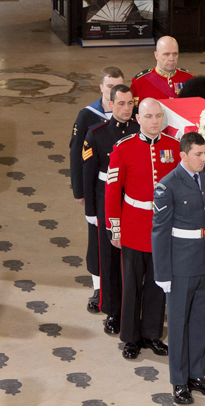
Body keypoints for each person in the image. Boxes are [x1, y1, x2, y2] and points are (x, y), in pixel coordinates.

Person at [152, 131, 205, 405]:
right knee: (179, 325)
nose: (204, 159)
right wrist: (163, 274)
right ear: (183, 155)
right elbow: (159, 232)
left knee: (198, 323)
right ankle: (179, 381)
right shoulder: (167, 185)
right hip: (180, 265)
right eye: (198, 154)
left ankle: (196, 375)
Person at [105, 98, 178, 353]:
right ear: (138, 119)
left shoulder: (174, 147)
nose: (154, 121)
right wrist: (115, 229)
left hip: (163, 230)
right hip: (134, 228)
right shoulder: (123, 148)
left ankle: (152, 334)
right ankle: (131, 338)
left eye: (158, 116)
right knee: (132, 285)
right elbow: (113, 192)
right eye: (148, 117)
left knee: (158, 285)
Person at [82, 84, 139, 333]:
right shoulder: (97, 134)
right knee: (109, 259)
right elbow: (89, 175)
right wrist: (92, 212)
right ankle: (112, 311)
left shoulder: (140, 130)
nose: (126, 109)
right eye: (121, 104)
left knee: (134, 260)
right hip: (106, 202)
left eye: (130, 104)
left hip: (135, 204)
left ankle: (132, 309)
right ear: (111, 104)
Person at [71, 67, 124, 313]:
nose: (113, 90)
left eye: (119, 86)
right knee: (97, 240)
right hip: (97, 189)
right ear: (101, 88)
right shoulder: (87, 116)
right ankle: (98, 287)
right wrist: (80, 191)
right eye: (109, 86)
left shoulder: (127, 116)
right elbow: (77, 156)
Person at [130, 36, 193, 105]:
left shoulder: (189, 79)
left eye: (175, 54)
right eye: (166, 54)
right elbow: (133, 111)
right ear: (156, 55)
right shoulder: (140, 81)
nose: (172, 58)